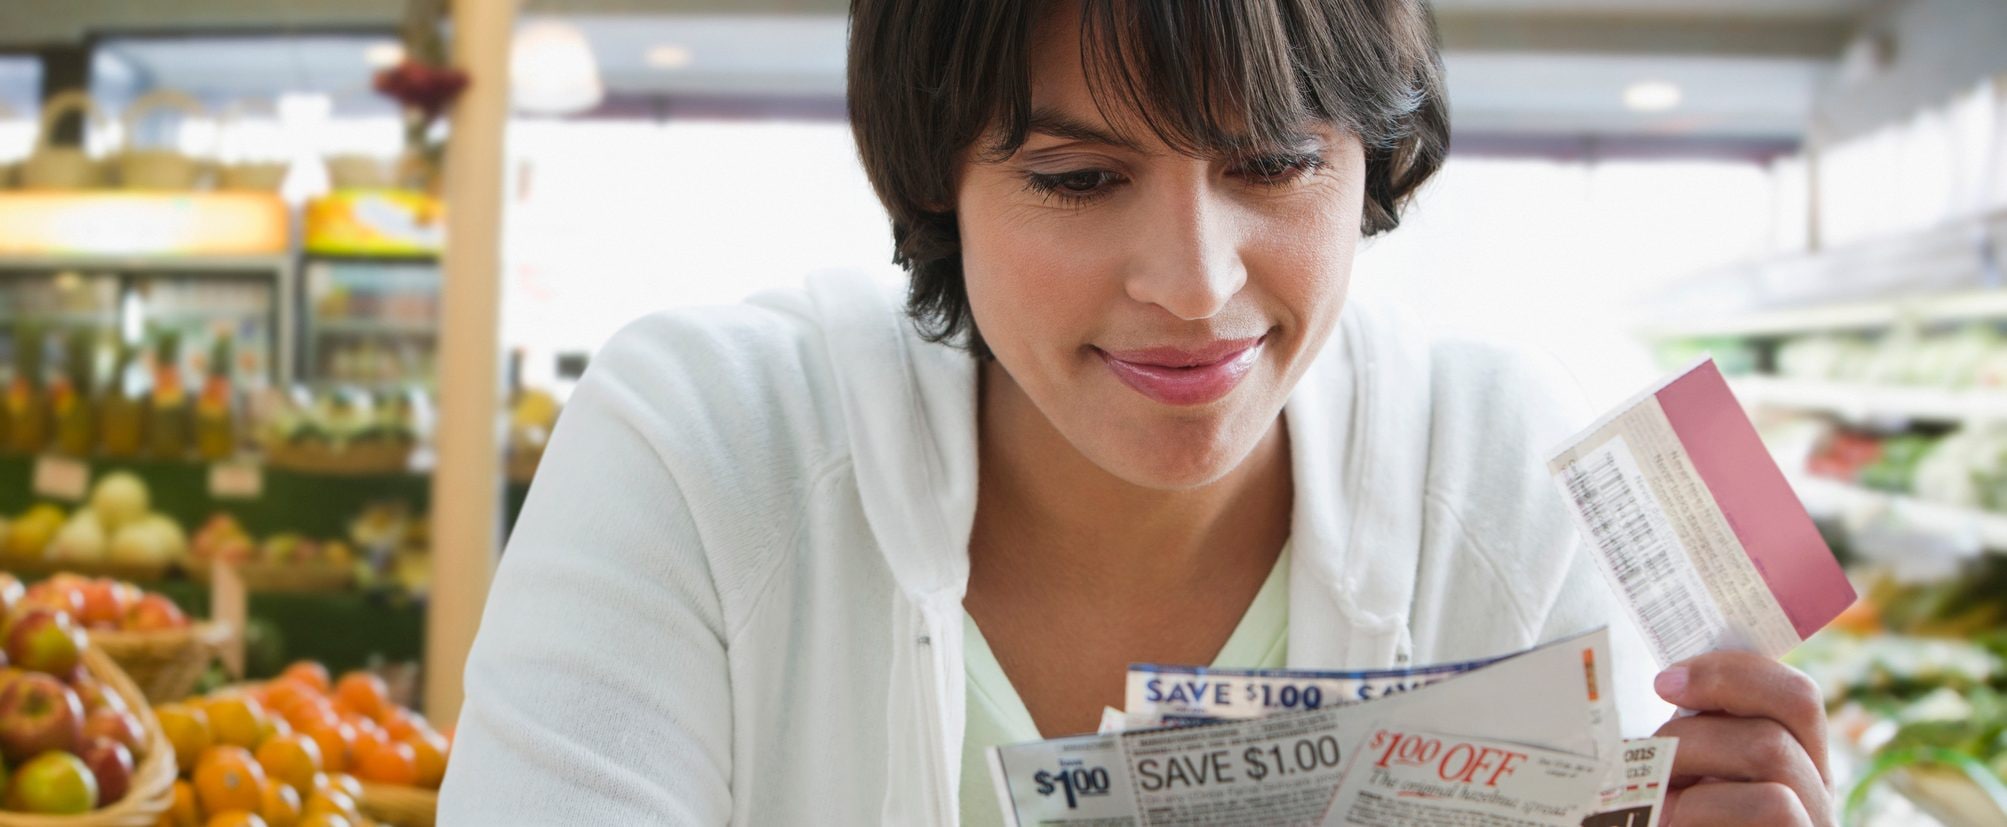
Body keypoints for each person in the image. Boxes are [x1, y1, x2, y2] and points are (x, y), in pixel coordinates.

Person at [439, 1, 1836, 824]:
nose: (1193, 283)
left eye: (1275, 163)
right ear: (939, 188)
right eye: (1075, 178)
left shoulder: (1498, 481)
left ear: (1372, 161)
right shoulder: (699, 449)